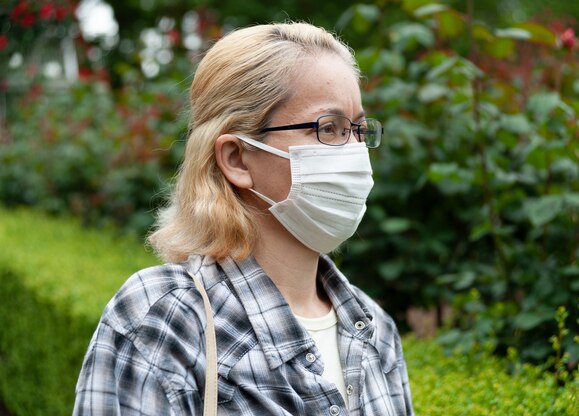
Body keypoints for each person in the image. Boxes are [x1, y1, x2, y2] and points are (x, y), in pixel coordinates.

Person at [73, 21, 413, 415]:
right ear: (236, 158)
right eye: (329, 128)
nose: (355, 151)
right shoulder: (166, 318)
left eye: (358, 129)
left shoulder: (376, 331)